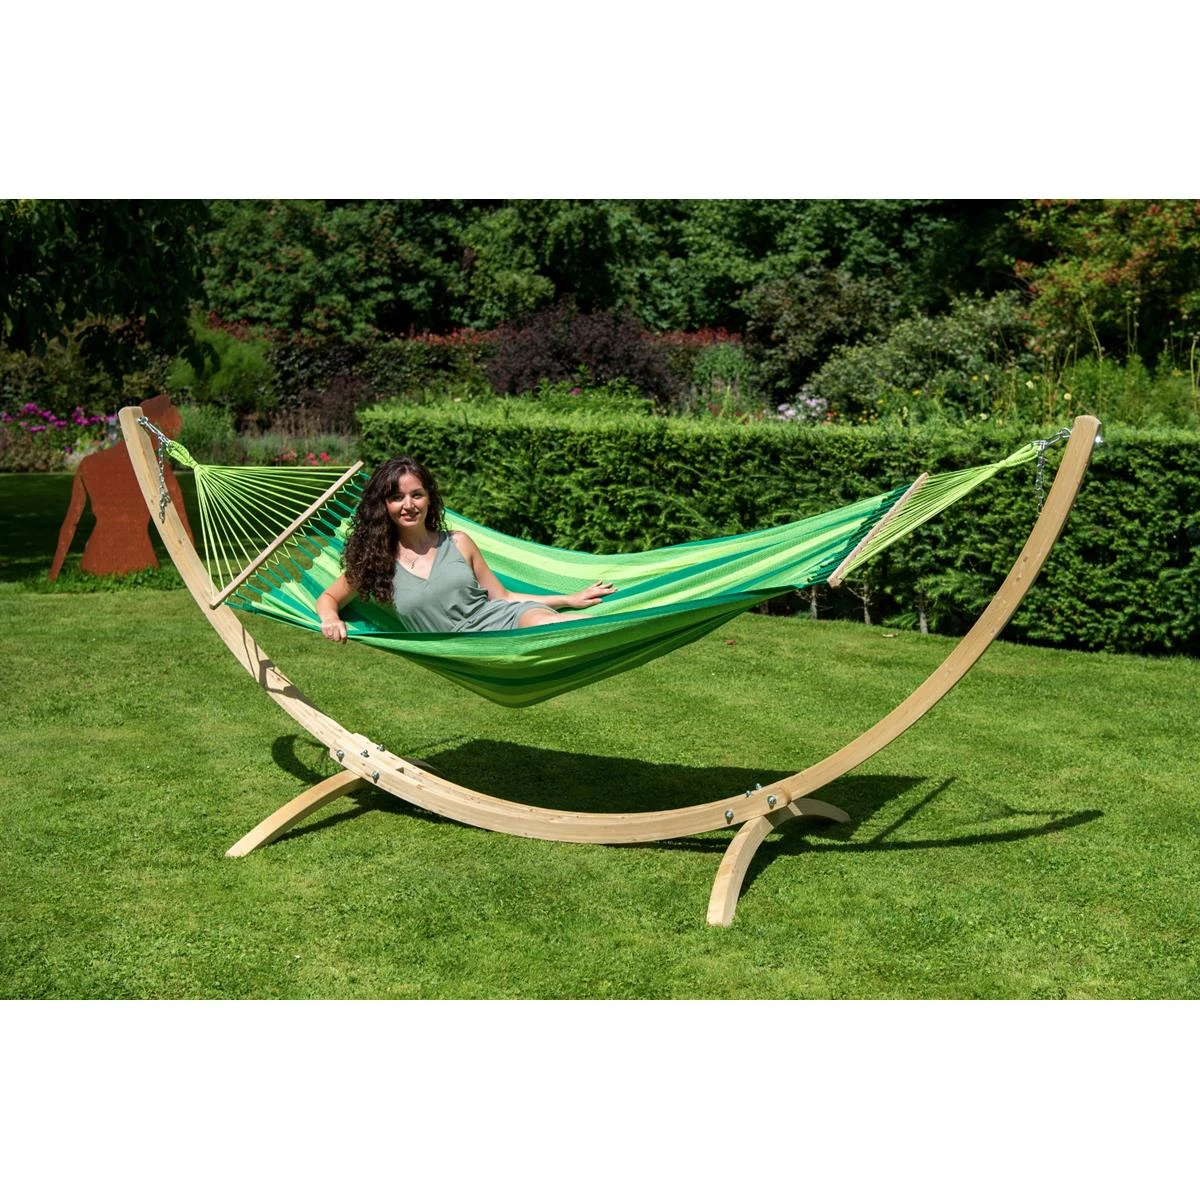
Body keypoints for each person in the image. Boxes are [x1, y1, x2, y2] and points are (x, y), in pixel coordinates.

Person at [316, 456, 615, 643]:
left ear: (429, 499)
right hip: (467, 650)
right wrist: (330, 619)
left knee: (552, 626)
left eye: (417, 495)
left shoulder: (458, 542)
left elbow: (504, 598)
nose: (409, 505)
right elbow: (329, 598)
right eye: (397, 497)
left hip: (507, 620)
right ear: (383, 505)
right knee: (549, 631)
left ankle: (631, 627)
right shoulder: (375, 561)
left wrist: (568, 599)